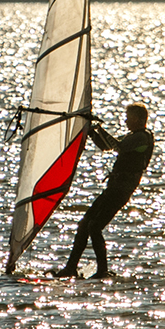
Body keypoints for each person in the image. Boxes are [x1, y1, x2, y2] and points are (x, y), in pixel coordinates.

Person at [53, 102, 155, 279]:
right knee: (85, 224)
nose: (125, 121)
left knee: (94, 226)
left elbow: (118, 146)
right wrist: (91, 130)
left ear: (139, 120)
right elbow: (106, 146)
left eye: (129, 118)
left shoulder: (142, 137)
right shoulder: (132, 136)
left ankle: (102, 271)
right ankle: (70, 268)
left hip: (121, 190)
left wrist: (99, 128)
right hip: (113, 188)